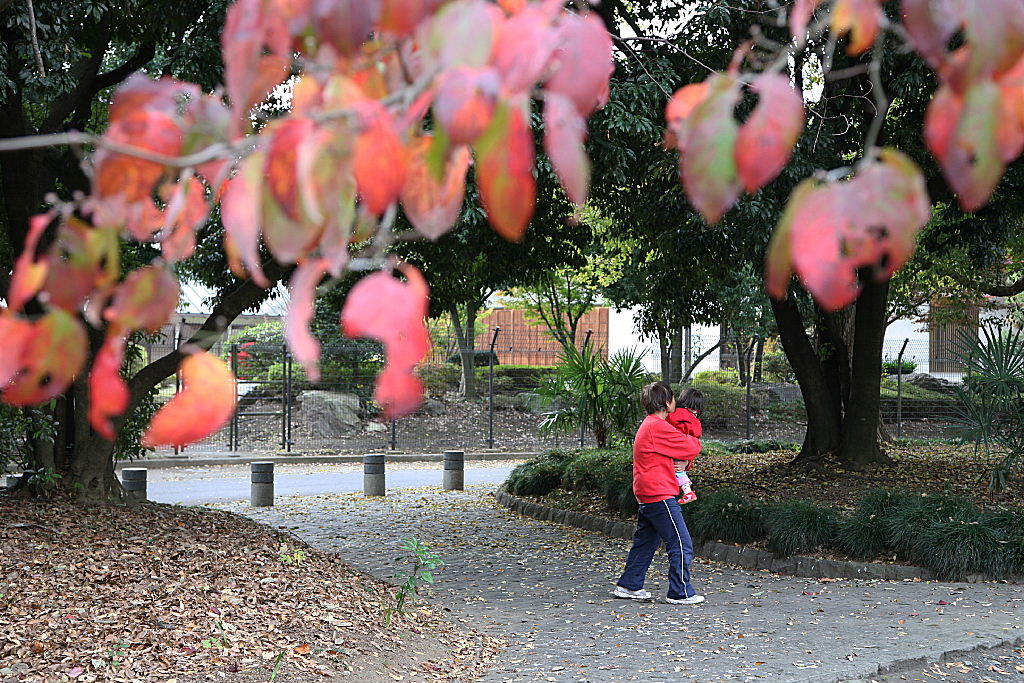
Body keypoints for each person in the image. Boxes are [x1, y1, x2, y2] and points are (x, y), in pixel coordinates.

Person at [613, 381, 705, 605]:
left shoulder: (651, 424)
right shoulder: (658, 426)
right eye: (673, 398)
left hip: (647, 491)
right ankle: (680, 591)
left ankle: (629, 585)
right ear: (665, 402)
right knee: (682, 543)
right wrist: (693, 437)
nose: (676, 402)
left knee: (646, 542)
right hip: (659, 492)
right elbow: (692, 447)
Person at [667, 388, 704, 504]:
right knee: (679, 469)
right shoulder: (695, 421)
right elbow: (696, 439)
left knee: (676, 470)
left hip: (671, 448)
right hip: (684, 452)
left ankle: (687, 491)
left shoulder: (672, 414)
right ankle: (687, 491)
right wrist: (688, 461)